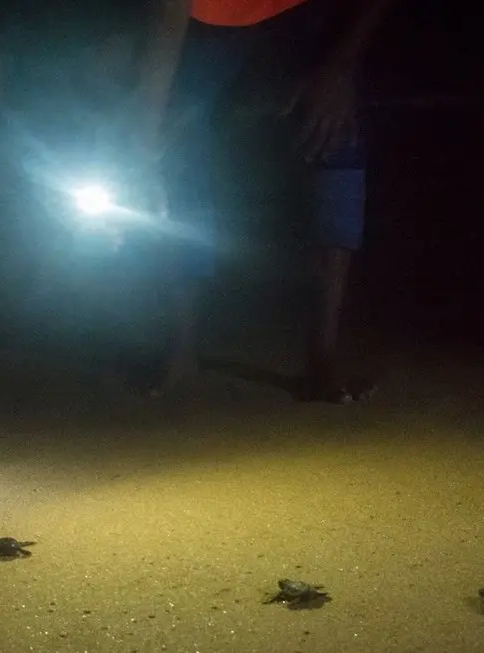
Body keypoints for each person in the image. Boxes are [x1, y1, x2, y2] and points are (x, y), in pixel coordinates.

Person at [128, 0, 396, 402]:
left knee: (335, 136)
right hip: (216, 25)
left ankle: (322, 358)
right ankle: (180, 349)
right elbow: (168, 21)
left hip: (310, 14)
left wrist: (339, 67)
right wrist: (143, 146)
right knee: (176, 145)